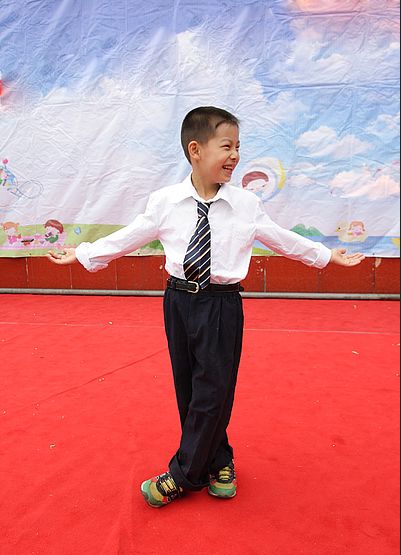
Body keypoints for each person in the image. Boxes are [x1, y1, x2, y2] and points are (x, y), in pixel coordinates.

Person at [48, 106, 365, 508]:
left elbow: (283, 239)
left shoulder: (246, 205)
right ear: (195, 149)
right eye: (226, 146)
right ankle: (220, 460)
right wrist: (85, 254)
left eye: (238, 148)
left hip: (221, 306)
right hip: (178, 301)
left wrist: (325, 256)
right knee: (190, 388)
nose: (235, 156)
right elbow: (131, 236)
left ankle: (184, 474)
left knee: (213, 392)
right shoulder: (165, 201)